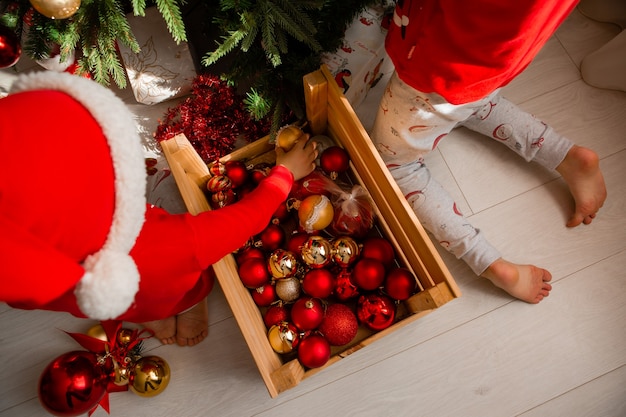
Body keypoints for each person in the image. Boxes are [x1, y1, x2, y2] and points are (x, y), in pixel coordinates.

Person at [0, 70, 317, 346]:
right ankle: (185, 304)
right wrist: (285, 174)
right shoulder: (176, 243)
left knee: (105, 299)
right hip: (156, 272)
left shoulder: (29, 264)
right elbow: (244, 220)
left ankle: (138, 311)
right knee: (173, 287)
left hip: (74, 284)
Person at [371, 0, 607, 303]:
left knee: (393, 165)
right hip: (501, 51)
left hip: (437, 56)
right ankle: (564, 155)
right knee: (469, 100)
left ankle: (490, 263)